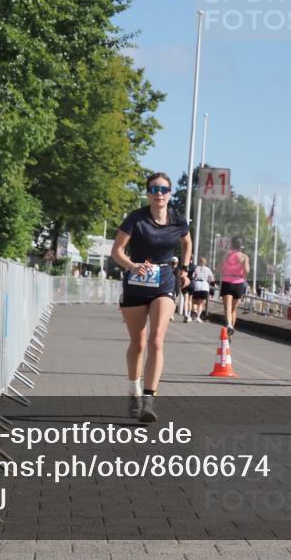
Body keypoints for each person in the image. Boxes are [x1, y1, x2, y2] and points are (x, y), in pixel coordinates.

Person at [110, 172, 191, 423]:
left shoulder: (178, 220)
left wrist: (184, 269)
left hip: (163, 282)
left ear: (170, 193)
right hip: (136, 283)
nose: (159, 194)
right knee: (139, 343)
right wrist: (132, 266)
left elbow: (186, 243)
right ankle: (133, 390)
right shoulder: (136, 218)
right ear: (148, 193)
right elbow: (117, 252)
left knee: (156, 340)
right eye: (154, 189)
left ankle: (148, 400)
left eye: (163, 189)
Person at [217, 237, 250, 337]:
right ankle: (230, 333)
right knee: (233, 310)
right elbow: (247, 270)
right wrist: (242, 276)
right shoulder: (244, 256)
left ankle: (229, 326)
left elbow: (219, 268)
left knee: (227, 308)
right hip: (239, 283)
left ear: (231, 245)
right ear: (241, 246)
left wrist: (224, 271)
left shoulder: (225, 255)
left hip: (227, 281)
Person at [189, 257, 215, 322]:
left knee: (194, 301)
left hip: (197, 285)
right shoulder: (208, 269)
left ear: (199, 262)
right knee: (201, 303)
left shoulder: (196, 268)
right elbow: (212, 279)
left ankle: (194, 310)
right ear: (205, 262)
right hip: (205, 286)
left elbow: (193, 276)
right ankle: (198, 317)